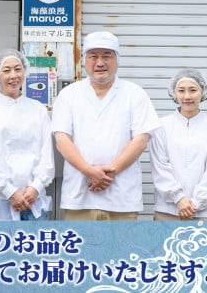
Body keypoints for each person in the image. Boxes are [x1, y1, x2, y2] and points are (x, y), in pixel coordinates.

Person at [51, 31, 160, 220]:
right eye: (93, 56)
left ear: (117, 59)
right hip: (80, 195)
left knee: (122, 249)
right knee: (81, 249)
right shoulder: (69, 95)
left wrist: (108, 173)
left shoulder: (135, 94)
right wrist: (88, 171)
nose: (100, 63)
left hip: (121, 197)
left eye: (106, 56)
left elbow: (141, 140)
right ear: (84, 60)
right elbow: (62, 140)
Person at [0, 49, 55, 221]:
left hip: (34, 199)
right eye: (6, 70)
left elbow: (47, 154)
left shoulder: (38, 110)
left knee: (35, 247)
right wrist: (9, 192)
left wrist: (36, 187)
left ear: (25, 71)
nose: (13, 75)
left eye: (18, 69)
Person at [149, 68, 207, 221]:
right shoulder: (161, 127)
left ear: (203, 92)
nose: (187, 96)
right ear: (174, 93)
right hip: (168, 211)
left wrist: (196, 202)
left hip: (206, 213)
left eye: (193, 90)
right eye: (181, 90)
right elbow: (160, 167)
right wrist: (179, 199)